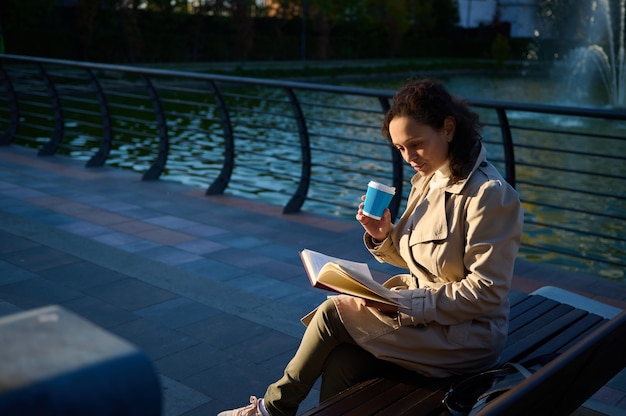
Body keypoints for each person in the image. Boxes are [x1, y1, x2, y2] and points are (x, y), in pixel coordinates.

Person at [217, 78, 524, 416]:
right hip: (427, 321)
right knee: (343, 358)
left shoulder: (489, 194)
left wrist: (402, 303)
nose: (409, 157)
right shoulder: (430, 179)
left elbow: (487, 292)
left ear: (448, 129)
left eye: (416, 144)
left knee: (334, 312)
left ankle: (271, 409)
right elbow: (424, 262)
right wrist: (383, 235)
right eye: (400, 149)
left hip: (466, 339)